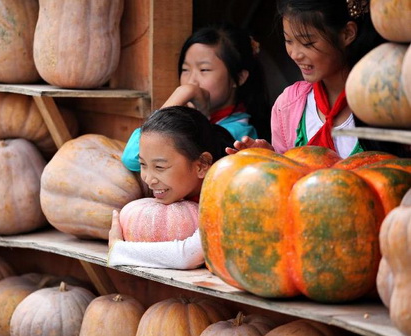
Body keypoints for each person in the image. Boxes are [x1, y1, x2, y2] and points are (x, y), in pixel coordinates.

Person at [227, 0, 406, 158]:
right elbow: (284, 182)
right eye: (288, 41)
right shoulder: (287, 105)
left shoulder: (386, 100)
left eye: (308, 43)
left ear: (347, 33)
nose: (295, 54)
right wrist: (270, 159)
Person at [121, 23, 270, 172]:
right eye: (185, 69)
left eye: (204, 69)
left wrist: (178, 100)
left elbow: (132, 159)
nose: (191, 81)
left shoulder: (239, 133)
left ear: (239, 77)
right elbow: (133, 158)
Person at [108, 106, 234, 269]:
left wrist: (118, 249)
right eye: (143, 164)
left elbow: (188, 256)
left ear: (202, 165)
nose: (148, 179)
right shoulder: (182, 188)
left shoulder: (224, 191)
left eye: (159, 167)